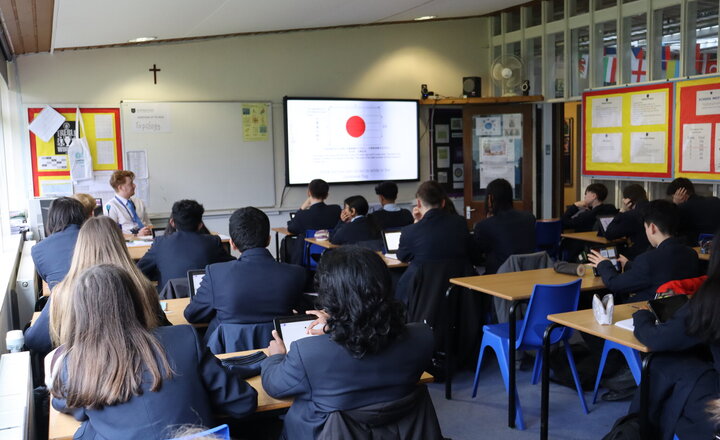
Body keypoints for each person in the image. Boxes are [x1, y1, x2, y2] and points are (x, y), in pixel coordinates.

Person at [49, 264, 257, 439]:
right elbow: (242, 402)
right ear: (136, 300)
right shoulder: (184, 338)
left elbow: (65, 404)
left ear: (79, 314)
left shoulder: (72, 364)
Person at [261, 246, 439, 439]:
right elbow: (371, 333)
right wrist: (338, 323)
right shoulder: (422, 337)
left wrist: (276, 356)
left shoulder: (308, 352)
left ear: (329, 296)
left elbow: (275, 386)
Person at [621, 234, 720, 439]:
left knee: (660, 362)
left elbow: (658, 338)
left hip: (714, 405)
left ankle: (637, 430)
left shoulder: (713, 297)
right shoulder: (689, 256)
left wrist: (642, 316)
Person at [25, 216, 169, 355]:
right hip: (141, 371)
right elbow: (163, 329)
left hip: (83, 374)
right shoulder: (142, 285)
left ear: (80, 246)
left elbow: (35, 341)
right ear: (120, 245)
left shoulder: (62, 293)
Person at [184, 207, 306, 338]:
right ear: (268, 240)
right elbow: (306, 311)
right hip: (280, 352)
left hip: (228, 355)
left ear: (232, 244)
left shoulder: (216, 274)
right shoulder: (296, 274)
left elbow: (192, 315)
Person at [588, 199, 700, 303]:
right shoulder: (691, 254)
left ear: (652, 228)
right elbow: (659, 272)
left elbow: (615, 284)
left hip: (647, 311)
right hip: (679, 311)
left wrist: (603, 264)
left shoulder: (648, 260)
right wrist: (628, 265)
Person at [137, 200, 233, 289]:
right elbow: (232, 266)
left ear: (172, 223)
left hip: (170, 302)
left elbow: (138, 271)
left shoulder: (160, 243)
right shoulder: (212, 242)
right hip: (205, 299)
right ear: (200, 225)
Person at [396, 180, 478, 265]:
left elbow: (403, 256)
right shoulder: (460, 223)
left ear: (419, 203)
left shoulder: (409, 231)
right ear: (443, 203)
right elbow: (471, 252)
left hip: (426, 278)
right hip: (457, 277)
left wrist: (417, 222)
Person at [473, 178, 536, 275]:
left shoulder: (484, 226)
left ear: (490, 199)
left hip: (498, 279)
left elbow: (476, 258)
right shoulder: (530, 218)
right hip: (529, 276)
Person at [31, 197, 85, 291]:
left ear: (52, 218)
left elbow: (47, 279)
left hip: (61, 302)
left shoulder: (38, 249)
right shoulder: (95, 239)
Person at [286, 179, 342, 264]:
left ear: (309, 193)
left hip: (308, 258)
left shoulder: (303, 214)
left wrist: (301, 208)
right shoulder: (336, 210)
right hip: (332, 257)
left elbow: (291, 229)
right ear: (326, 195)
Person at [666, 177, 720, 245]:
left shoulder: (681, 209)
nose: (673, 199)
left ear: (680, 193)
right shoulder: (715, 201)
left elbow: (670, 228)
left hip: (692, 250)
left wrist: (675, 204)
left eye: (673, 197)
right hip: (716, 248)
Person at [604, 184, 650, 260]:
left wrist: (621, 212)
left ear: (628, 200)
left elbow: (609, 234)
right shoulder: (654, 208)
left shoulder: (631, 215)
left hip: (637, 255)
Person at [105, 170, 152, 236]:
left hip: (148, 240)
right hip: (128, 244)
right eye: (131, 183)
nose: (134, 186)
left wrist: (150, 230)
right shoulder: (110, 207)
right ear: (121, 187)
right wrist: (136, 235)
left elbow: (148, 223)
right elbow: (111, 235)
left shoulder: (139, 202)